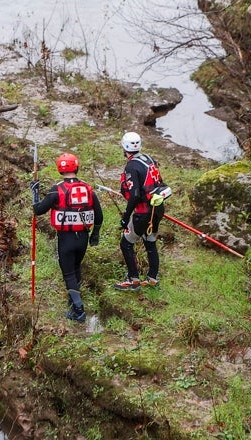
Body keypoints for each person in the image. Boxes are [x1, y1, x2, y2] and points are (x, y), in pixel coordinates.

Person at [32, 152, 103, 322]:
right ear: (76, 167)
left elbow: (38, 210)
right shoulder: (87, 188)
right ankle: (73, 299)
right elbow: (99, 214)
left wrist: (34, 193)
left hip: (66, 238)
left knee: (68, 272)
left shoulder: (57, 190)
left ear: (60, 169)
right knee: (76, 266)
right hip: (83, 238)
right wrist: (96, 234)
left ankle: (78, 310)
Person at [115, 131, 169, 290]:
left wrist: (126, 217)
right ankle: (152, 278)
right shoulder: (149, 159)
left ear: (124, 147)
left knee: (126, 243)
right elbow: (159, 183)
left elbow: (135, 195)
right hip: (157, 208)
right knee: (150, 241)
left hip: (143, 212)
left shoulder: (131, 165)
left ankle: (133, 280)